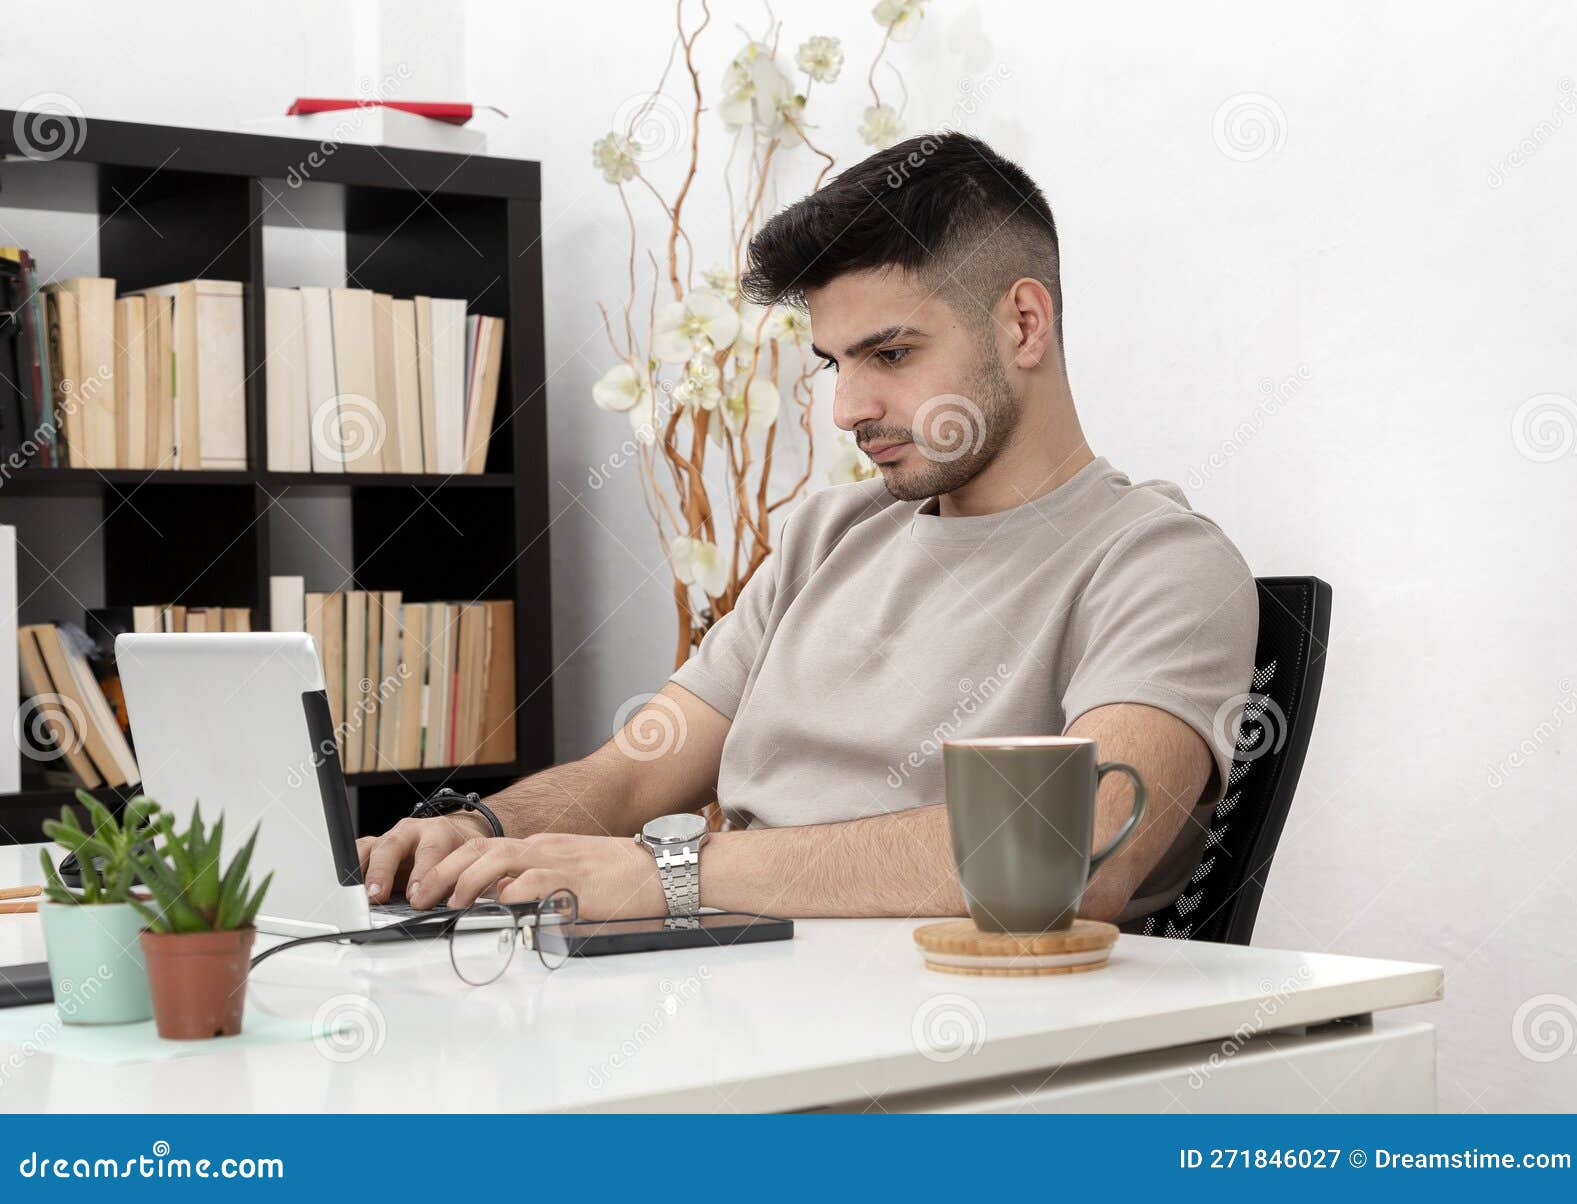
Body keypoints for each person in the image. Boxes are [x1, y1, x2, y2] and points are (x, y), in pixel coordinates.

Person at [359, 131, 1258, 930]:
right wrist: (477, 832)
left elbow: (1078, 851)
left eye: (891, 355)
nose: (846, 408)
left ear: (1025, 323)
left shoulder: (1161, 563)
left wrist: (671, 874)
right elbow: (635, 774)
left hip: (944, 1030)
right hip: (739, 979)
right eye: (834, 363)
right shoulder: (828, 532)